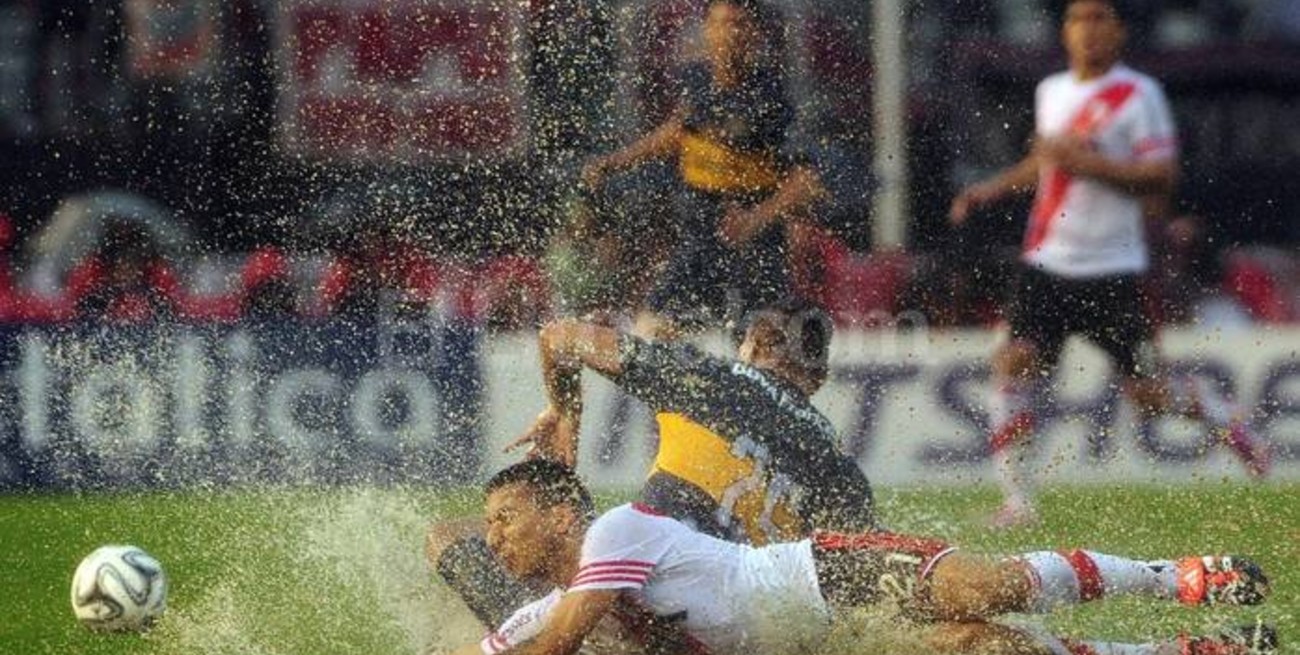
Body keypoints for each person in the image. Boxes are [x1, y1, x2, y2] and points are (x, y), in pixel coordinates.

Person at [948, 0, 1270, 528]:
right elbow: (1047, 164)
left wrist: (1086, 164)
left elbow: (1161, 178)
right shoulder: (1051, 91)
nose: (1089, 30)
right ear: (1066, 30)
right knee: (1014, 361)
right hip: (1047, 260)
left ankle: (1218, 412)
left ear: (1118, 30)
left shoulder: (1138, 96)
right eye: (1079, 19)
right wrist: (993, 188)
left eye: (1100, 18)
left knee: (1147, 394)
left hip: (1112, 268)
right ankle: (1017, 501)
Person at [447, 460, 1275, 655]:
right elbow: (525, 630)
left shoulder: (612, 535)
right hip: (830, 633)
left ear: (561, 510)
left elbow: (552, 639)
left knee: (991, 584)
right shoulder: (573, 590)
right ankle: (1180, 650)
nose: (495, 537)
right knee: (993, 645)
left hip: (820, 572)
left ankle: (1180, 578)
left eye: (505, 518)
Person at [429, 299, 878, 635]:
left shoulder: (708, 377)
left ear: (754, 344)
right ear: (816, 379)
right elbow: (854, 590)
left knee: (447, 537)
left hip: (637, 609)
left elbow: (559, 336)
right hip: (730, 630)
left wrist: (563, 412)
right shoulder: (841, 470)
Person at [582, 0, 825, 339]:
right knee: (652, 325)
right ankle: (687, 390)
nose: (728, 34)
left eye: (738, 25)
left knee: (760, 347)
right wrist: (614, 162)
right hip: (698, 247)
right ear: (707, 31)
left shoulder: (773, 97)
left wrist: (755, 219)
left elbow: (806, 180)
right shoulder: (698, 81)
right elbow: (677, 133)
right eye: (720, 23)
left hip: (753, 255)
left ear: (754, 34)